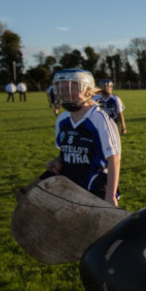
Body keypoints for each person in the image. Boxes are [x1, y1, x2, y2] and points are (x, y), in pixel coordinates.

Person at [43, 68, 121, 206]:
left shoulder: (100, 119)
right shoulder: (62, 119)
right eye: (61, 89)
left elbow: (114, 158)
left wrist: (110, 196)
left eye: (70, 89)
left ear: (87, 91)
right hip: (69, 189)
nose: (64, 94)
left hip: (95, 189)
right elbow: (65, 151)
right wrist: (57, 161)